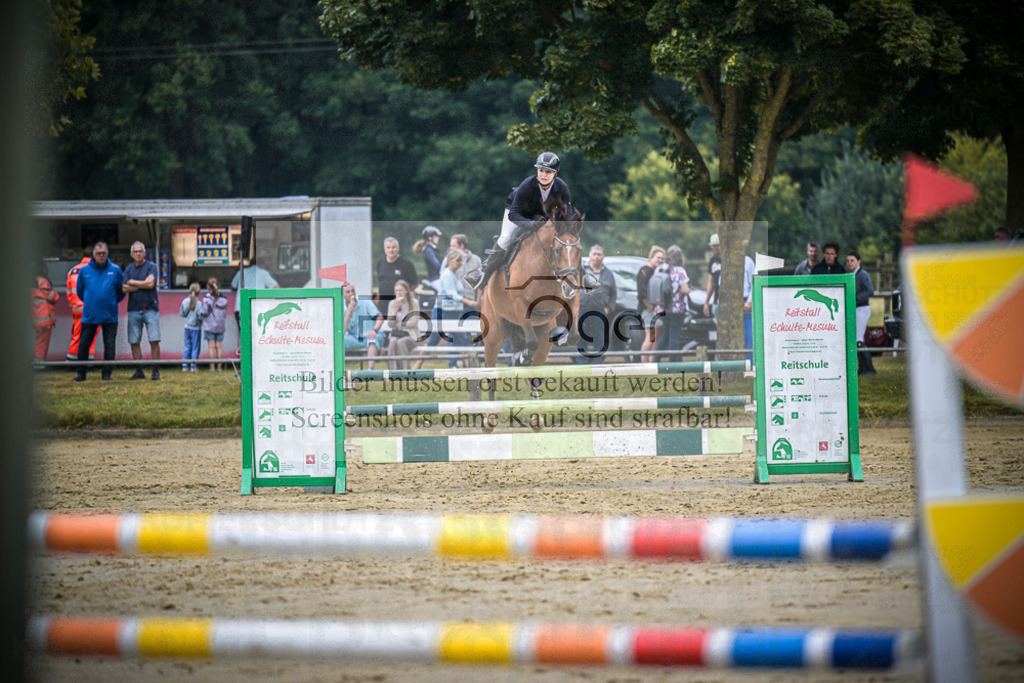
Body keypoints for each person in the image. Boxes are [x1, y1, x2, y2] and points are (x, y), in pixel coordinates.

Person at [466, 152, 571, 290]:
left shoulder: (562, 187)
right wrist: (529, 224)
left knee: (568, 241)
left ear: (555, 173)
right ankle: (483, 273)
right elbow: (514, 214)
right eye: (541, 170)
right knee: (506, 238)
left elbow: (568, 213)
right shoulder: (527, 185)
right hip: (518, 212)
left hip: (542, 216)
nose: (544, 175)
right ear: (537, 170)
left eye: (548, 172)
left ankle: (581, 274)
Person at [73, 242, 124, 382]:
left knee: (110, 346)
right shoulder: (84, 271)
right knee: (84, 345)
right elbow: (80, 291)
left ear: (107, 254)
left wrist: (110, 302)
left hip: (110, 315)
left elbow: (121, 292)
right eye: (98, 253)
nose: (101, 256)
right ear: (93, 255)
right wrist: (92, 302)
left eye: (103, 253)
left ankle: (107, 375)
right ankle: (81, 374)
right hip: (90, 315)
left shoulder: (116, 270)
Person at [123, 241, 162, 380]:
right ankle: (139, 371)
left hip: (150, 308)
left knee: (154, 340)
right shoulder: (128, 269)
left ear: (145, 253)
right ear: (131, 254)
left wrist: (132, 282)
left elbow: (151, 283)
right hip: (133, 309)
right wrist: (143, 284)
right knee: (134, 341)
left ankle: (155, 371)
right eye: (136, 252)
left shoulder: (152, 266)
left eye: (141, 251)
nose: (138, 254)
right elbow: (123, 288)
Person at [434, 248, 475, 367]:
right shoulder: (447, 274)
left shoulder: (455, 275)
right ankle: (417, 364)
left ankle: (468, 366)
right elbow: (450, 293)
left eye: (461, 261)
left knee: (462, 340)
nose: (460, 263)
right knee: (433, 340)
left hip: (454, 311)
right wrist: (467, 301)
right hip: (444, 311)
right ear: (450, 261)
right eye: (458, 261)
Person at [576, 244, 617, 363]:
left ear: (603, 257)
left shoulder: (608, 274)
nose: (596, 257)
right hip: (582, 308)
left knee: (599, 338)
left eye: (599, 254)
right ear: (589, 256)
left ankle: (597, 363)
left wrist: (610, 308)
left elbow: (614, 293)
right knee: (581, 336)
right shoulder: (580, 271)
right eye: (594, 254)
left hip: (599, 310)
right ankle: (581, 364)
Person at [442, 234, 482, 340]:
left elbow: (480, 283)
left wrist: (478, 301)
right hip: (455, 305)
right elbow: (443, 281)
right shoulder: (448, 260)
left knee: (472, 333)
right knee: (454, 334)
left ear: (462, 246)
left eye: (453, 245)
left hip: (471, 303)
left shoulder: (476, 260)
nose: (450, 248)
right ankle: (454, 357)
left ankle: (471, 356)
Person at [657, 245, 691, 362]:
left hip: (663, 308)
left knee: (665, 335)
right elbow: (685, 289)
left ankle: (656, 361)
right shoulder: (680, 271)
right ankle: (672, 363)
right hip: (677, 309)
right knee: (674, 336)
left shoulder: (660, 269)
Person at [231, 258, 279, 337]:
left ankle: (246, 349)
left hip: (241, 307)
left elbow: (232, 287)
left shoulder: (241, 272)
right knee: (259, 332)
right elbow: (276, 287)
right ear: (261, 265)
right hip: (259, 307)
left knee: (245, 334)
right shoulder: (264, 273)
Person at [65, 245, 97, 363]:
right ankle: (87, 361)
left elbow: (69, 292)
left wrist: (73, 304)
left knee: (76, 335)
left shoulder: (72, 270)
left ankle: (71, 359)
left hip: (77, 309)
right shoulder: (94, 270)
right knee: (91, 335)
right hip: (90, 310)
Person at [847, 251, 876, 375]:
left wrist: (855, 298)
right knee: (858, 339)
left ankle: (868, 368)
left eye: (852, 260)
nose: (849, 263)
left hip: (862, 309)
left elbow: (870, 290)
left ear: (859, 261)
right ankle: (864, 368)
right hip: (857, 309)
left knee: (858, 339)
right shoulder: (852, 275)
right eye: (847, 261)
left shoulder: (862, 274)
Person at [375, 236, 418, 317]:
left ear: (398, 248)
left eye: (394, 247)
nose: (391, 250)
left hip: (400, 305)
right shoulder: (380, 262)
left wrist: (404, 297)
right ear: (384, 249)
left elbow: (414, 284)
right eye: (388, 247)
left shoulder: (406, 264)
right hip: (383, 305)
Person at [343, 282, 383, 369]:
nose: (351, 294)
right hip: (354, 338)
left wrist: (374, 330)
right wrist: (349, 312)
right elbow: (343, 331)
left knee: (372, 339)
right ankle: (338, 369)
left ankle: (370, 370)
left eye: (353, 291)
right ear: (343, 295)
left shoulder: (365, 301)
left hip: (370, 335)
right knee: (339, 341)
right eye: (348, 292)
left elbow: (380, 317)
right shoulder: (341, 307)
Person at [637, 246, 665, 363]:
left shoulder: (657, 272)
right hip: (648, 310)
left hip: (657, 309)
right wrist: (649, 306)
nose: (660, 260)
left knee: (656, 338)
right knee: (650, 337)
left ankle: (652, 362)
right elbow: (642, 292)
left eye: (662, 259)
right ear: (651, 257)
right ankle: (644, 363)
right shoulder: (644, 271)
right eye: (658, 257)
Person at [386, 280, 420, 369]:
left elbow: (413, 322)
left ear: (406, 291)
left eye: (400, 290)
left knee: (401, 342)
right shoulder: (392, 304)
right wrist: (394, 311)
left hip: (411, 335)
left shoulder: (414, 303)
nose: (398, 293)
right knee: (393, 342)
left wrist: (398, 325)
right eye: (396, 291)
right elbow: (390, 324)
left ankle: (405, 371)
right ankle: (393, 372)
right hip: (396, 334)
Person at [32, 261, 59, 364]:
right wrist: (56, 295)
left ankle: (38, 361)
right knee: (42, 342)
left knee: (39, 341)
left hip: (37, 317)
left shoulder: (33, 281)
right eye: (45, 268)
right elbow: (52, 297)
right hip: (45, 318)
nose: (47, 270)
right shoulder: (43, 281)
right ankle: (39, 362)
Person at [201, 278, 229, 370]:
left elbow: (204, 311)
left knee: (211, 346)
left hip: (210, 325)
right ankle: (219, 367)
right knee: (219, 346)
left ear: (208, 287)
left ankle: (212, 367)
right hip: (220, 326)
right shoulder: (223, 299)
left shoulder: (207, 299)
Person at [179, 282, 204, 371]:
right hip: (196, 328)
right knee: (195, 347)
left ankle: (185, 366)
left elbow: (182, 313)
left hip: (187, 327)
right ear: (199, 292)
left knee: (187, 346)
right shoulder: (199, 303)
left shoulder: (185, 301)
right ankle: (193, 366)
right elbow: (200, 316)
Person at [702, 234, 722, 319]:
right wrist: (706, 302)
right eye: (714, 246)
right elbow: (711, 281)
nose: (715, 248)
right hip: (717, 299)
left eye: (717, 245)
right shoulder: (713, 260)